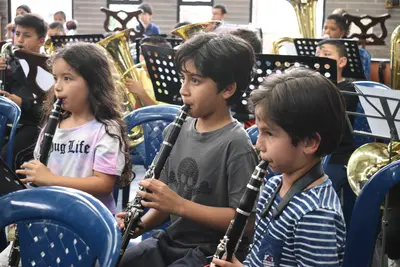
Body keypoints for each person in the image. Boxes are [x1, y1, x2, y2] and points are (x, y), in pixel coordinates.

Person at [117, 32, 259, 267]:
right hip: (173, 240)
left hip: (212, 251)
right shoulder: (176, 131)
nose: (183, 90)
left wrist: (180, 205)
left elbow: (246, 222)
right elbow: (165, 205)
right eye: (183, 78)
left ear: (227, 89)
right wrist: (142, 224)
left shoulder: (237, 144)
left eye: (195, 80)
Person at [212, 67, 347, 267]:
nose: (258, 145)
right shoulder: (274, 185)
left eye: (269, 134)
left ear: (309, 142)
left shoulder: (315, 215)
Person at [14, 42, 132, 214]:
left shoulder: (106, 129)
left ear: (93, 83)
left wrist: (51, 180)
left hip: (90, 219)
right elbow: (43, 172)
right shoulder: (52, 125)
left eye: (67, 78)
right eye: (56, 78)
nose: (57, 87)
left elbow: (104, 184)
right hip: (55, 213)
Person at [315, 39, 358, 226]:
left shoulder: (348, 89)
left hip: (338, 154)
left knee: (317, 191)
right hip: (313, 151)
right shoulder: (312, 86)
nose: (320, 59)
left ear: (342, 62)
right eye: (318, 55)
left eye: (326, 55)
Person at [0, 14, 47, 171]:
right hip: (8, 123)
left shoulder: (46, 67)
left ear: (41, 41)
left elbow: (46, 111)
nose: (19, 40)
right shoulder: (10, 62)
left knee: (5, 159)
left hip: (34, 126)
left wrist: (21, 103)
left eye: (27, 35)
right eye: (17, 33)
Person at [125, 35, 171, 107]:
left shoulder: (169, 80)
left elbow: (161, 114)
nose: (145, 59)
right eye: (142, 54)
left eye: (150, 54)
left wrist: (141, 92)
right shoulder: (135, 74)